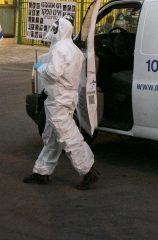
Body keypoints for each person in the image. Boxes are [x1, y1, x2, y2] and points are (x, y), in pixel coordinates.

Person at [24, 16, 99, 190]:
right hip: (68, 97)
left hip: (58, 99)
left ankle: (87, 171)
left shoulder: (59, 49)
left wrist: (40, 67)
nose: (52, 31)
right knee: (52, 138)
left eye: (55, 28)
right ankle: (42, 172)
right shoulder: (74, 49)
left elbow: (53, 73)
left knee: (68, 136)